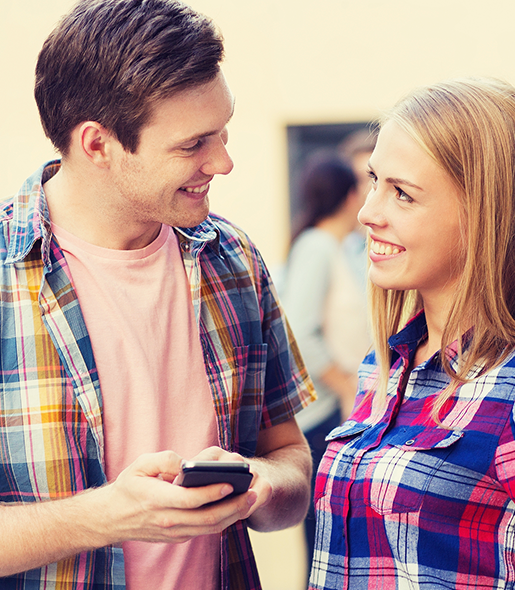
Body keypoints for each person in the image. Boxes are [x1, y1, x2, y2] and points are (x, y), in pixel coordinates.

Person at [0, 1, 316, 589]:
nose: (222, 162)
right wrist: (101, 518)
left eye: (223, 132)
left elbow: (290, 462)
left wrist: (262, 484)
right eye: (193, 144)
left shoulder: (235, 261)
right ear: (97, 145)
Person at [309, 76, 515, 589]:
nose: (367, 213)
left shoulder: (507, 389)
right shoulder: (381, 368)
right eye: (373, 181)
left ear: (483, 213)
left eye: (401, 194)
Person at [281, 154, 369, 575]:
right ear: (350, 195)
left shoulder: (344, 249)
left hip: (344, 407)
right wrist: (347, 385)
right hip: (323, 414)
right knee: (325, 545)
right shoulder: (316, 247)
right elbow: (299, 332)